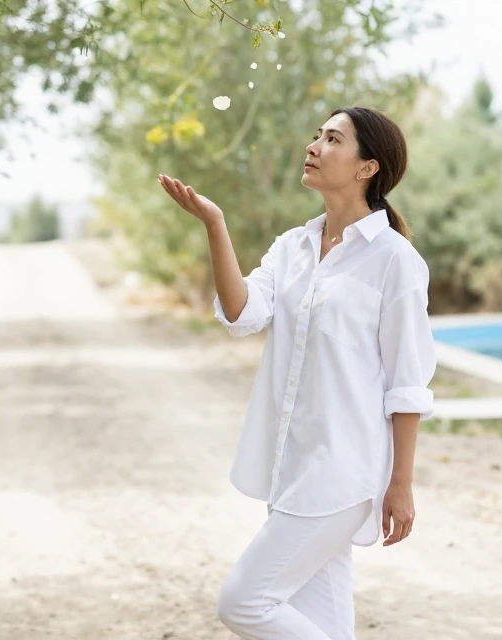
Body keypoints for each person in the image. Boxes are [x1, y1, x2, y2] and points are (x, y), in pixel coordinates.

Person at [157, 106, 436, 640]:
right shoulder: (293, 247)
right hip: (292, 465)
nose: (313, 146)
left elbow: (407, 383)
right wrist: (215, 225)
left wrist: (400, 485)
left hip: (343, 472)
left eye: (333, 139)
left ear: (366, 168)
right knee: (321, 622)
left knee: (244, 603)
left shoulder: (395, 261)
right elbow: (242, 314)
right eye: (317, 135)